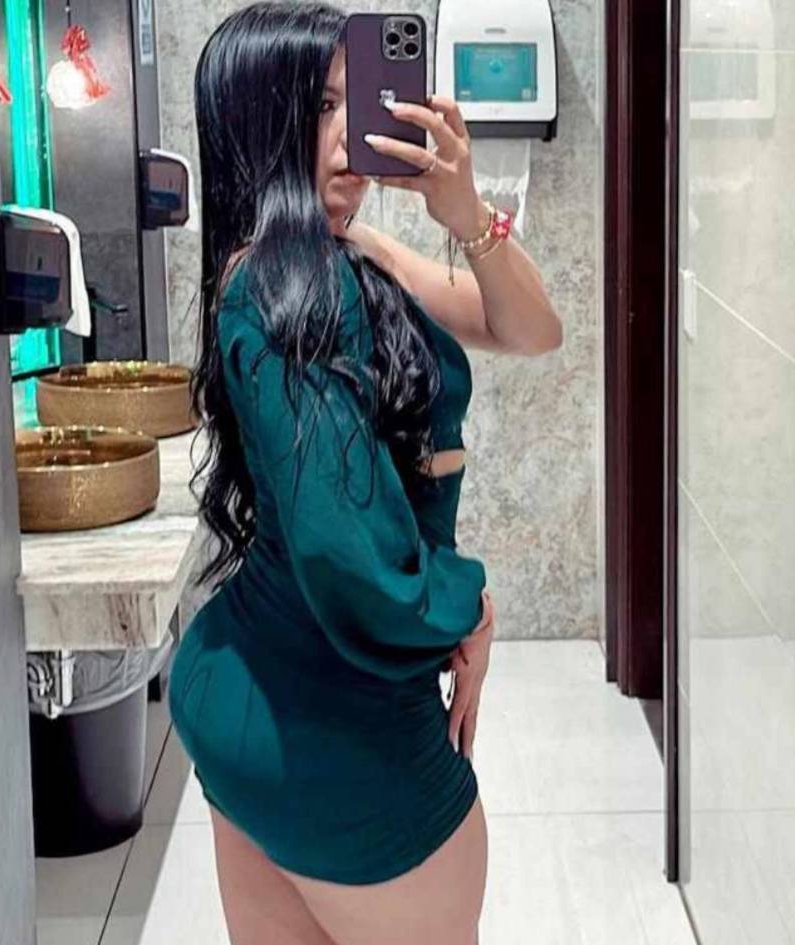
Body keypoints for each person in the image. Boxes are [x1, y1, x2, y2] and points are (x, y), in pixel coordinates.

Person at [166, 3, 562, 944]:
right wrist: (465, 605)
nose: (354, 134)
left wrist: (465, 215)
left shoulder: (323, 259)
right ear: (260, 118)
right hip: (339, 729)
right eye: (321, 106)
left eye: (358, 100)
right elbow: (353, 560)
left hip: (249, 687)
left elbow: (531, 329)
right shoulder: (288, 289)